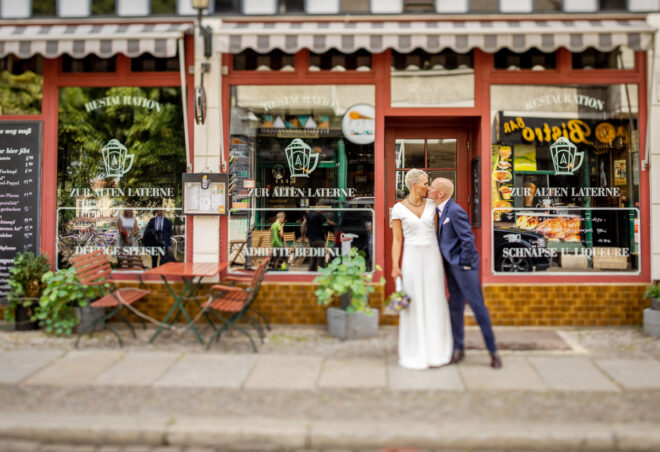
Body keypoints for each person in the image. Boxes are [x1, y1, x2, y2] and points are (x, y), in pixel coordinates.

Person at [428, 177, 502, 369]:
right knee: (455, 308)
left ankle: (494, 353)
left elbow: (467, 239)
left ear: (441, 193)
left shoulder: (455, 211)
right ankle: (458, 349)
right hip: (451, 268)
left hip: (464, 268)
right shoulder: (440, 210)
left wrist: (465, 264)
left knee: (478, 308)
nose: (429, 189)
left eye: (432, 187)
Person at [390, 169, 453, 370]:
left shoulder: (433, 206)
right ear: (414, 185)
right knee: (414, 301)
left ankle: (436, 350)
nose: (429, 186)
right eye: (426, 183)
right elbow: (397, 240)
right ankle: (414, 350)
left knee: (434, 299)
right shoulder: (398, 209)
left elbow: (438, 232)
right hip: (411, 258)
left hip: (432, 256)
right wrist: (394, 265)